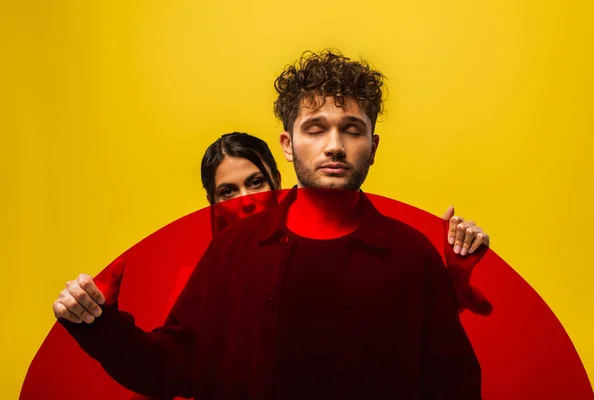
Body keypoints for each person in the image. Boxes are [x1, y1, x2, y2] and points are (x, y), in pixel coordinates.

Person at [53, 50, 484, 399]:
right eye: (315, 128)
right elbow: (174, 368)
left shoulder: (412, 256)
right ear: (288, 144)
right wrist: (98, 324)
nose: (334, 145)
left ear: (372, 147)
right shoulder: (232, 250)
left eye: (351, 130)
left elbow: (454, 386)